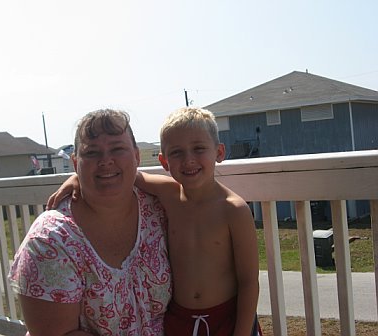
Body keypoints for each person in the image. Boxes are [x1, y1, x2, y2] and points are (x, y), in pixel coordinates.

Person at [49, 107, 261, 336]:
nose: (188, 160)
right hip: (179, 319)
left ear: (219, 152)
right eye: (177, 152)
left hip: (225, 317)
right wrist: (77, 177)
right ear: (164, 160)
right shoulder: (169, 194)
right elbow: (125, 174)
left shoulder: (234, 209)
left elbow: (249, 281)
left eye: (198, 148)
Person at [8, 109, 172, 336]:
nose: (106, 160)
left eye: (117, 149)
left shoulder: (161, 211)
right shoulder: (51, 239)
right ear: (76, 163)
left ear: (136, 156)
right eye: (92, 153)